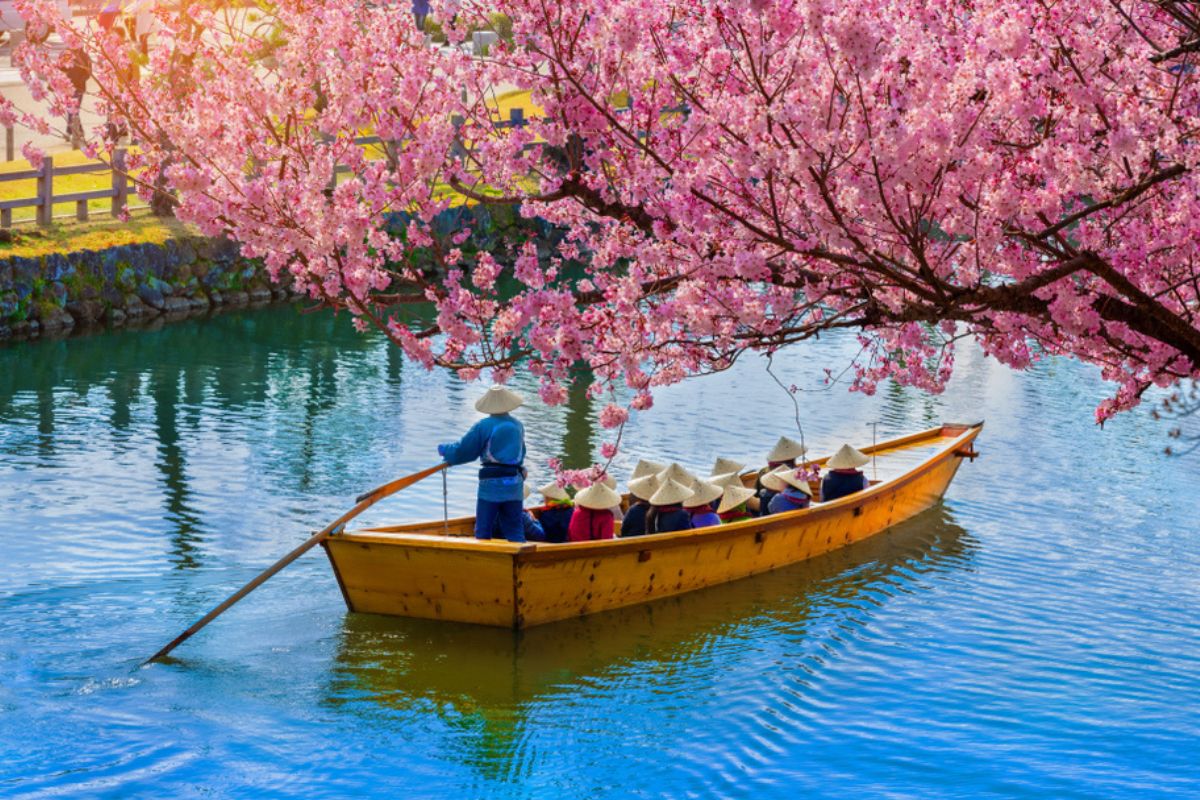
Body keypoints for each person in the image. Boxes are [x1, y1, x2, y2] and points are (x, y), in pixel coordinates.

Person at [437, 385, 528, 542]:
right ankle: (520, 559)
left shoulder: (484, 425)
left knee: (483, 529)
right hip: (514, 482)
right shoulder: (518, 425)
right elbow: (522, 452)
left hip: (491, 483)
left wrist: (445, 450)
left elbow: (464, 450)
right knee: (514, 529)